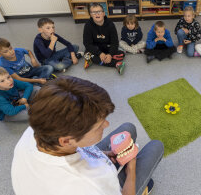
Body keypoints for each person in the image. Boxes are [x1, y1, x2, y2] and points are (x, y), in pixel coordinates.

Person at [11, 76, 164, 195]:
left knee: (128, 128)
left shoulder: (36, 129)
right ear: (66, 141)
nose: (107, 125)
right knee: (156, 146)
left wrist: (104, 154)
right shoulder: (84, 186)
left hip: (77, 166)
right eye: (99, 126)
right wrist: (131, 169)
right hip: (93, 183)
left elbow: (70, 150)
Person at [83, 3, 125, 74]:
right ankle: (116, 64)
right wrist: (100, 53)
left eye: (99, 11)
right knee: (87, 54)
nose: (97, 14)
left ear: (103, 13)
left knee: (122, 54)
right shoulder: (88, 25)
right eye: (94, 12)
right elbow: (87, 44)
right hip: (96, 49)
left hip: (107, 48)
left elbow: (114, 43)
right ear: (90, 15)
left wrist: (110, 55)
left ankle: (93, 60)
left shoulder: (110, 24)